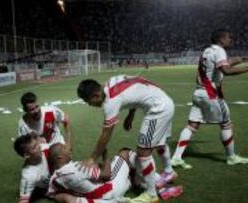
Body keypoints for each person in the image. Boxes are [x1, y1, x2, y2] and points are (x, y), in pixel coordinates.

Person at [171, 29, 248, 169]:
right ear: (221, 39)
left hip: (199, 93)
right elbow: (226, 70)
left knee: (192, 125)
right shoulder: (220, 51)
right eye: (228, 37)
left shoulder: (207, 51)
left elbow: (220, 65)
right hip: (211, 94)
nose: (230, 40)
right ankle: (231, 157)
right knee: (226, 124)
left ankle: (176, 158)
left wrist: (238, 60)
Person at [77, 75, 178, 203]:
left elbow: (106, 134)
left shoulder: (110, 101)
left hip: (158, 109)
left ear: (96, 95)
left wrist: (92, 159)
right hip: (165, 101)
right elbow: (135, 89)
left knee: (143, 152)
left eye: (88, 101)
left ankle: (151, 193)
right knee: (159, 143)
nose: (90, 105)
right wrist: (131, 115)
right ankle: (169, 171)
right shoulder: (111, 81)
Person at [47, 144, 183, 203]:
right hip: (110, 188)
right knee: (124, 153)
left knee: (129, 172)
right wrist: (105, 155)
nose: (69, 150)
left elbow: (52, 194)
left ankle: (146, 184)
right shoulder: (77, 168)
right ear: (60, 158)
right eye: (66, 150)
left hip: (98, 197)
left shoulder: (54, 178)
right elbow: (107, 175)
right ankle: (158, 182)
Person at [13, 133, 52, 203]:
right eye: (34, 147)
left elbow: (62, 151)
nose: (39, 147)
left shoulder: (45, 148)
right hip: (45, 188)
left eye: (37, 143)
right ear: (27, 155)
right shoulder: (28, 175)